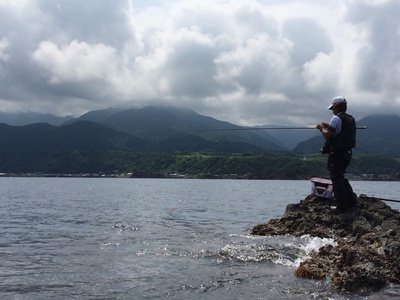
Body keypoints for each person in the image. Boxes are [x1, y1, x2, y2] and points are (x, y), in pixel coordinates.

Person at [316, 96, 357, 212]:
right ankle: (351, 202)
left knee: (336, 178)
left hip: (337, 153)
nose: (332, 111)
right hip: (347, 153)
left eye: (332, 109)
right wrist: (328, 127)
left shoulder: (336, 118)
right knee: (340, 176)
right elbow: (340, 130)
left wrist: (320, 128)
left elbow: (328, 135)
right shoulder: (350, 119)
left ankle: (341, 206)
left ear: (336, 106)